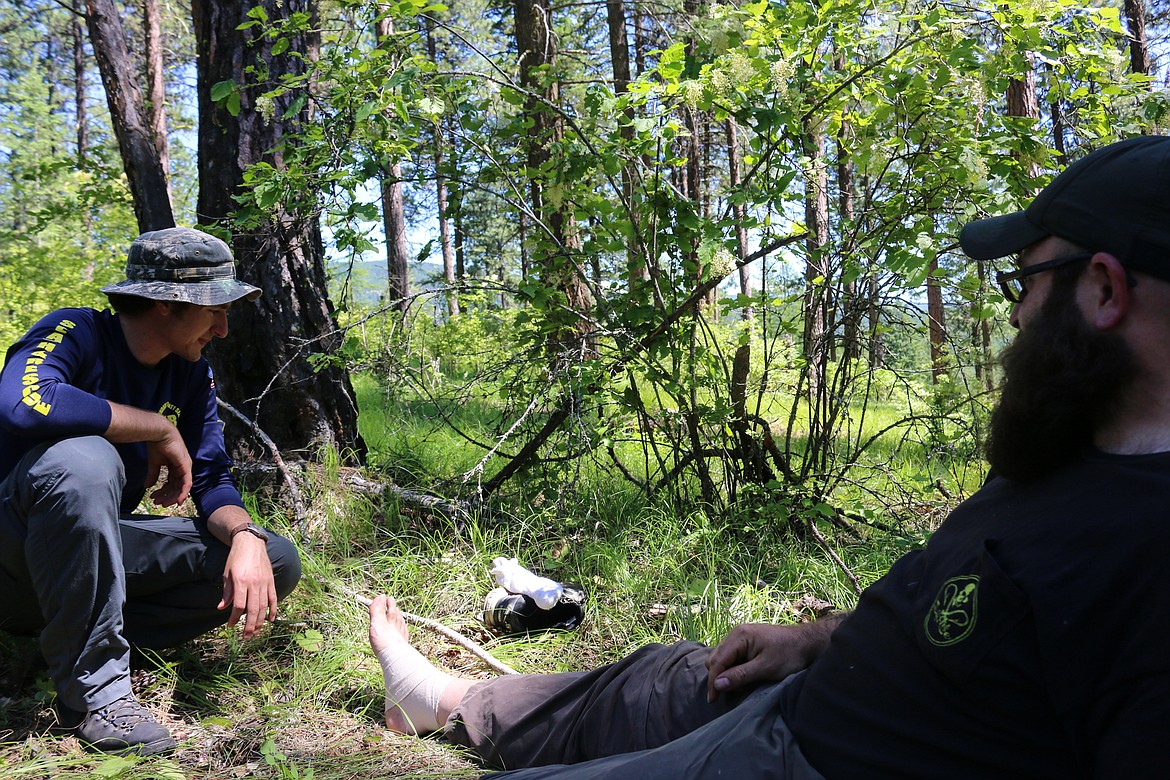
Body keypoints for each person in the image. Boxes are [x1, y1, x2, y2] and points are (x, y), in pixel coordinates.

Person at [366, 135, 1170, 779]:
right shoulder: (1072, 437)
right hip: (813, 690)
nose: (1021, 312)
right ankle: (446, 700)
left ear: (1104, 289)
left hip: (803, 755)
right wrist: (820, 641)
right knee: (668, 677)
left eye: (1027, 279)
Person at [0, 227, 302, 756]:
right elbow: (23, 403)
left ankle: (73, 641)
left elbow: (211, 479)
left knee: (274, 558)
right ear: (167, 303)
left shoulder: (189, 375)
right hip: (12, 546)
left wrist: (247, 535)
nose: (224, 328)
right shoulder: (76, 332)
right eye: (215, 309)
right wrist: (155, 428)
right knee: (83, 459)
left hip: (76, 565)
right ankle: (95, 693)